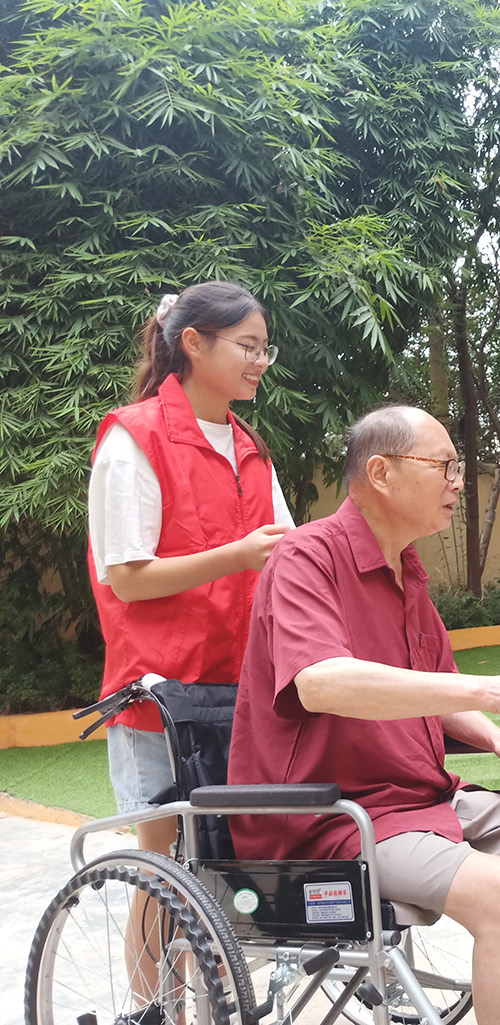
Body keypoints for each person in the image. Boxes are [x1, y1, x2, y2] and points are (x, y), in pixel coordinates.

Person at [227, 405, 500, 1025]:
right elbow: (320, 683)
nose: (458, 482)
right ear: (381, 472)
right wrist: (489, 691)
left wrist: (494, 737)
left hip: (419, 798)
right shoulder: (305, 557)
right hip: (332, 818)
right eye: (445, 467)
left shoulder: (407, 571)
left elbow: (437, 691)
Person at [88, 281, 293, 860]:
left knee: (232, 868)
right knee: (161, 872)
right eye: (248, 346)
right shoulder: (134, 435)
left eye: (265, 349)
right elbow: (127, 578)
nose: (261, 361)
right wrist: (237, 554)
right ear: (195, 343)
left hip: (242, 692)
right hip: (161, 696)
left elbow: (286, 552)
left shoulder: (251, 446)